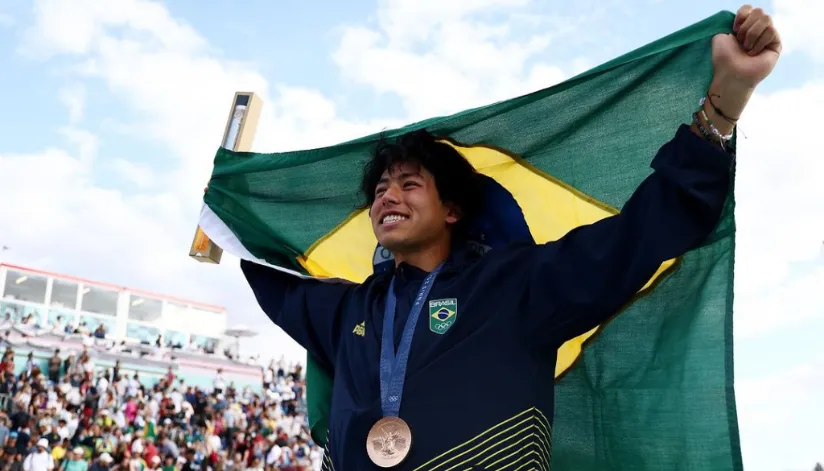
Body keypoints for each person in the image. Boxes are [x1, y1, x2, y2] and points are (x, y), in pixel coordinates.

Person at [240, 5, 781, 471]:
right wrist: (223, 210)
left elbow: (635, 238)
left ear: (453, 209)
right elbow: (266, 270)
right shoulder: (349, 311)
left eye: (409, 184)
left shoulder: (517, 289)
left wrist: (723, 106)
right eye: (380, 189)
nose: (387, 198)